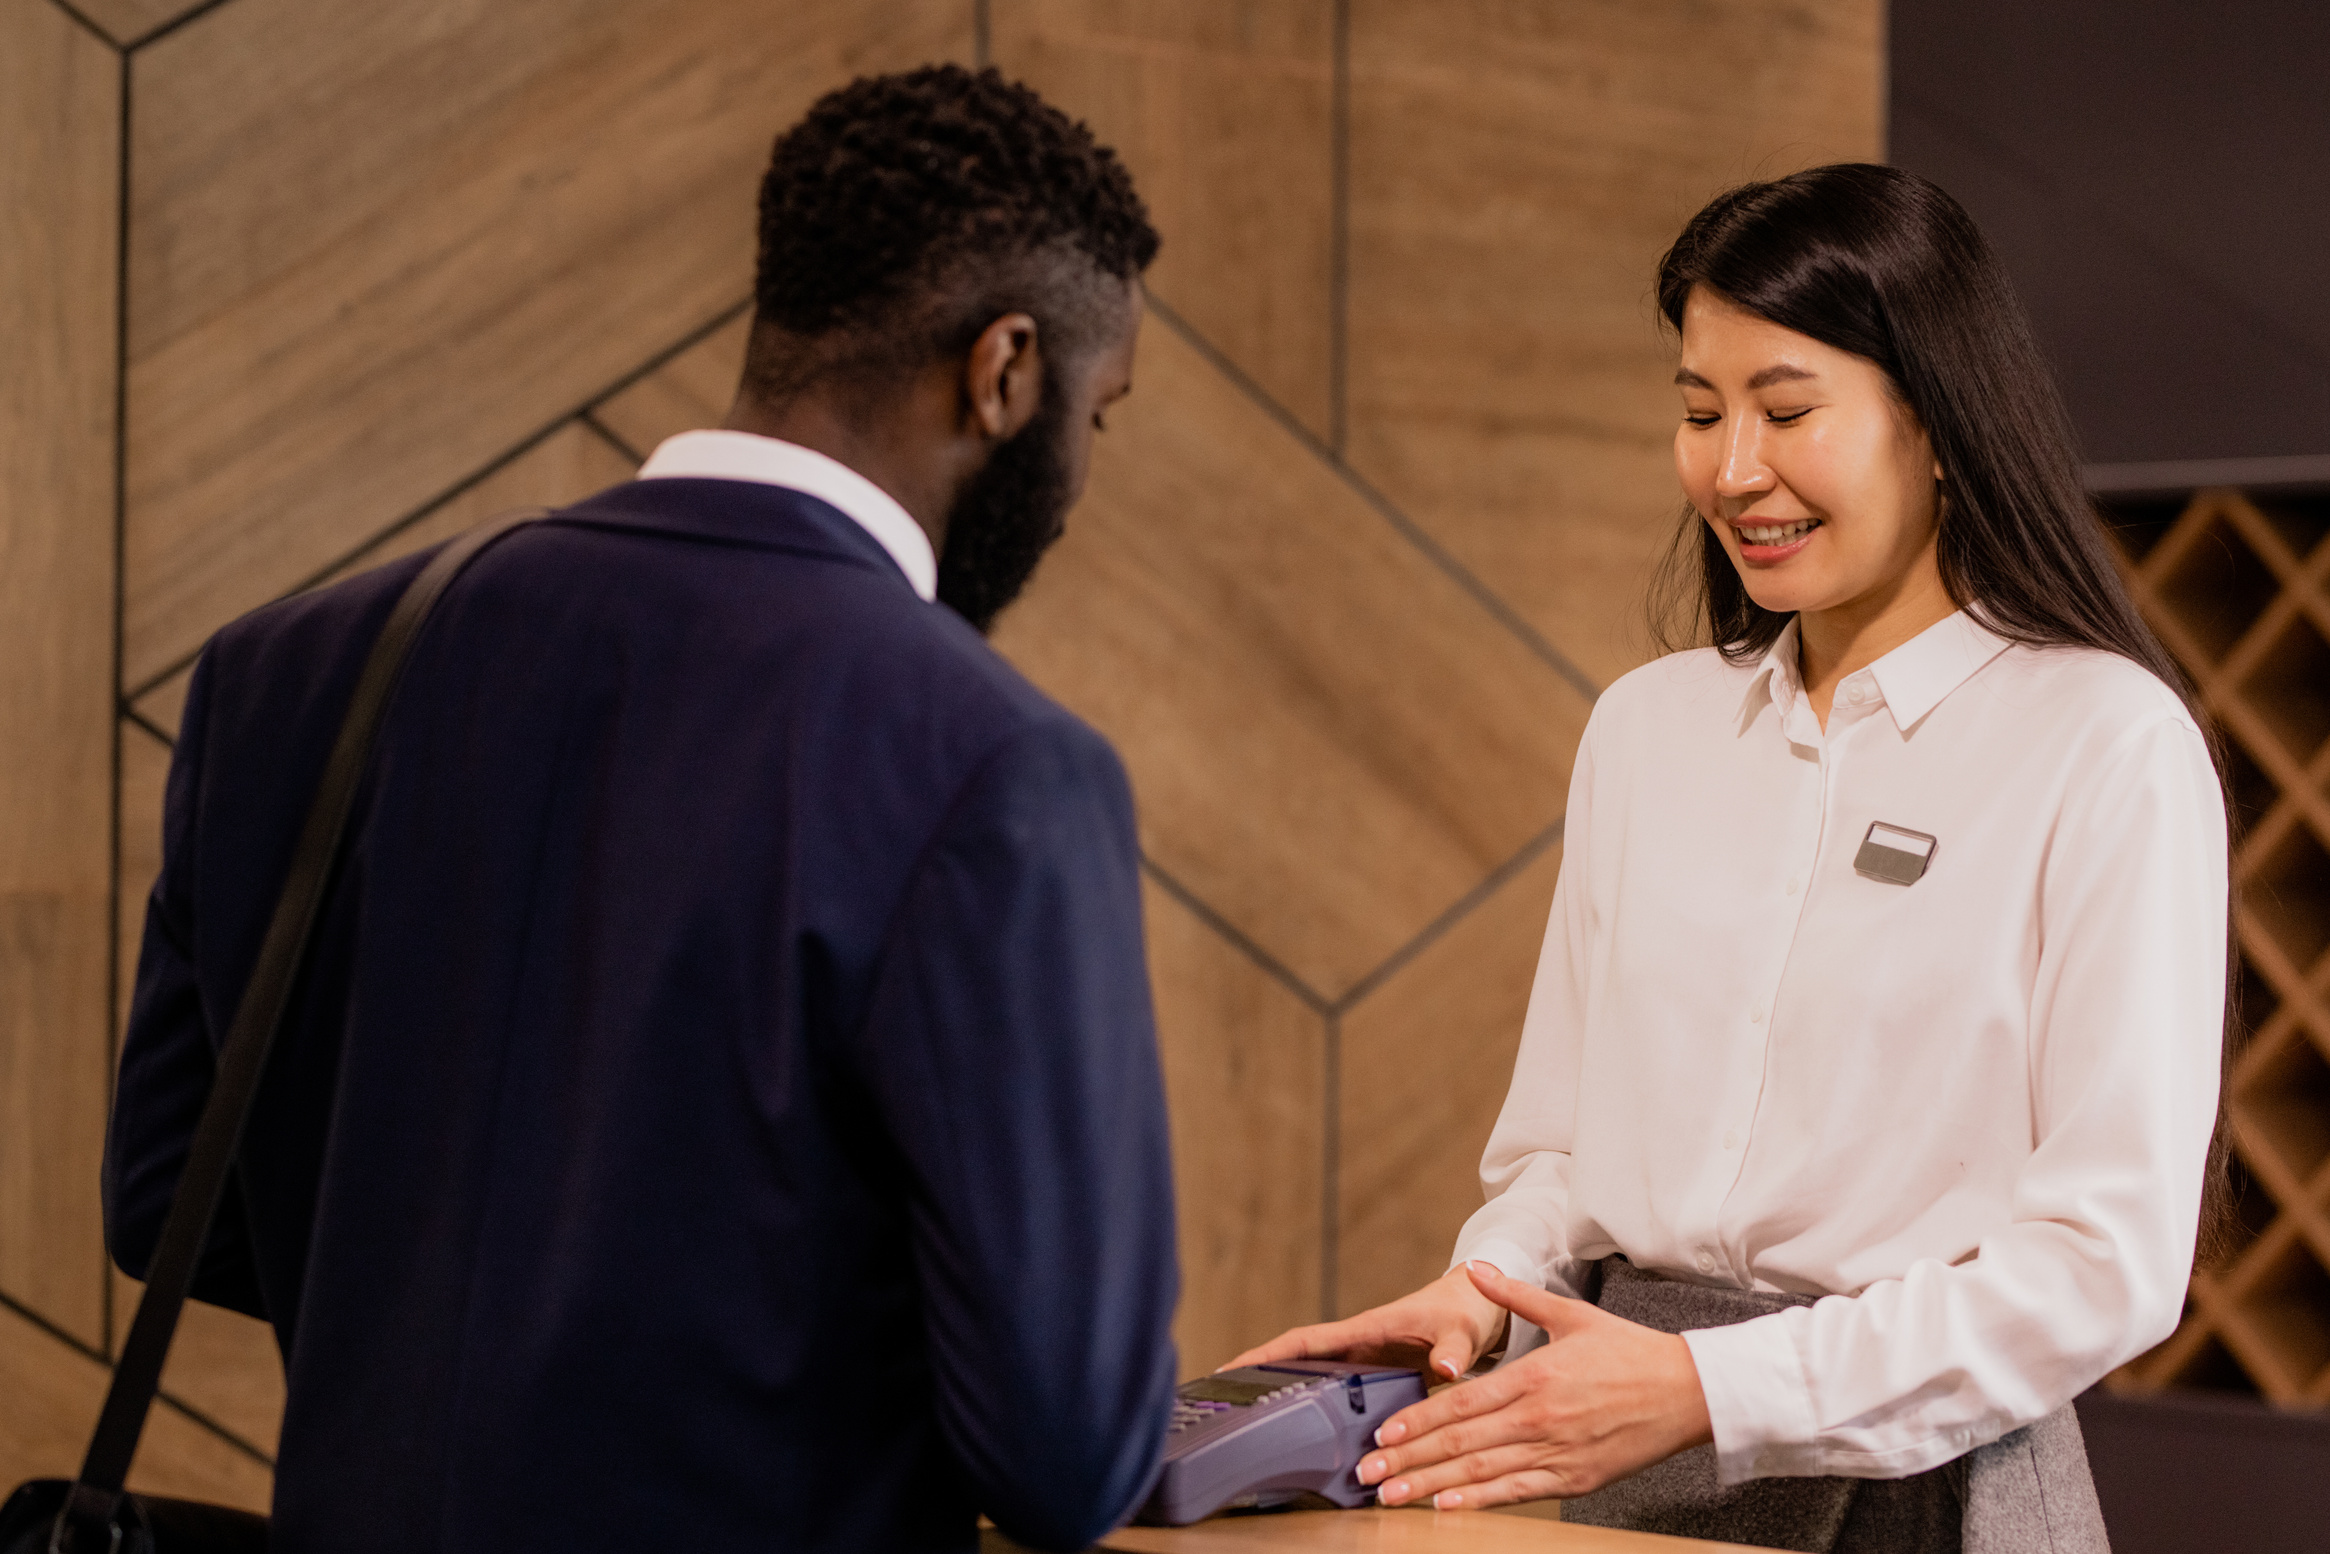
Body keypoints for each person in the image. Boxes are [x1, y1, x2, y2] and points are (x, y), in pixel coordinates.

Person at [104, 66, 1178, 1554]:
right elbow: (1065, 1450)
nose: (1073, 477)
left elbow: (170, 1205)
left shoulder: (284, 670)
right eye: (1094, 416)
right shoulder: (991, 762)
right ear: (1001, 371)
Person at [1232, 163, 2228, 1552]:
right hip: (1627, 1461)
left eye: (1785, 408)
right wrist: (1483, 1287)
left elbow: (2103, 1265)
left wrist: (1713, 1382)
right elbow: (1564, 1149)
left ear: (1937, 420)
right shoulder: (1646, 731)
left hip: (1928, 1485)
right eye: (1699, 411)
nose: (1731, 467)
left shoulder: (2103, 742)